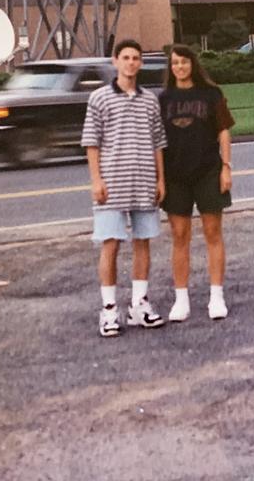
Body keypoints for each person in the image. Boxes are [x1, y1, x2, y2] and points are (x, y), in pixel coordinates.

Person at [81, 39, 168, 337]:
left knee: (143, 242)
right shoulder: (100, 98)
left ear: (141, 63)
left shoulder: (149, 100)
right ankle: (108, 310)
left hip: (143, 182)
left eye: (136, 58)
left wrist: (160, 179)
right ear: (115, 61)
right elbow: (92, 142)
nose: (131, 63)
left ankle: (139, 304)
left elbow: (158, 142)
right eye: (126, 57)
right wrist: (97, 180)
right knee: (111, 243)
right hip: (112, 184)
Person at [158, 44, 235, 321]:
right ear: (171, 67)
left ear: (193, 64)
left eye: (184, 62)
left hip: (207, 171)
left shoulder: (211, 94)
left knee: (213, 232)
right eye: (175, 63)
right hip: (175, 175)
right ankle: (181, 300)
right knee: (179, 236)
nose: (179, 66)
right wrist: (159, 179)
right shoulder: (163, 99)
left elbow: (223, 132)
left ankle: (216, 296)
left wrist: (226, 167)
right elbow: (157, 142)